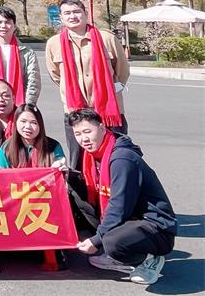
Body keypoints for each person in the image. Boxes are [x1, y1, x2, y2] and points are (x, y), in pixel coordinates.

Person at [69, 108, 176, 285]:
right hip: (132, 219)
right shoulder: (93, 155)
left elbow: (120, 206)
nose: (83, 139)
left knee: (112, 243)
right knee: (77, 197)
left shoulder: (122, 159)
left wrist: (97, 240)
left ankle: (150, 259)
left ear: (102, 128)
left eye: (88, 131)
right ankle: (118, 251)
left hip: (155, 227)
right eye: (78, 134)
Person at [46, 0, 131, 167]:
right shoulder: (54, 44)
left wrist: (108, 92)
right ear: (61, 17)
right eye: (67, 13)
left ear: (85, 14)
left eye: (77, 12)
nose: (72, 16)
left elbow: (122, 70)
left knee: (117, 156)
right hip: (74, 111)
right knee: (78, 160)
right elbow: (56, 75)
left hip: (108, 111)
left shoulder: (106, 39)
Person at [0, 103, 68, 272]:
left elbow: (61, 179)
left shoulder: (53, 147)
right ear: (15, 123)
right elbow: (0, 180)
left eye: (33, 123)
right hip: (16, 200)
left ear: (40, 125)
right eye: (23, 122)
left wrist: (61, 169)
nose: (28, 127)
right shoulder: (6, 149)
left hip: (45, 201)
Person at [0, 6, 41, 106]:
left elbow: (33, 81)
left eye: (7, 22)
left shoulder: (27, 52)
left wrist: (28, 106)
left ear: (14, 26)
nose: (3, 26)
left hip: (20, 104)